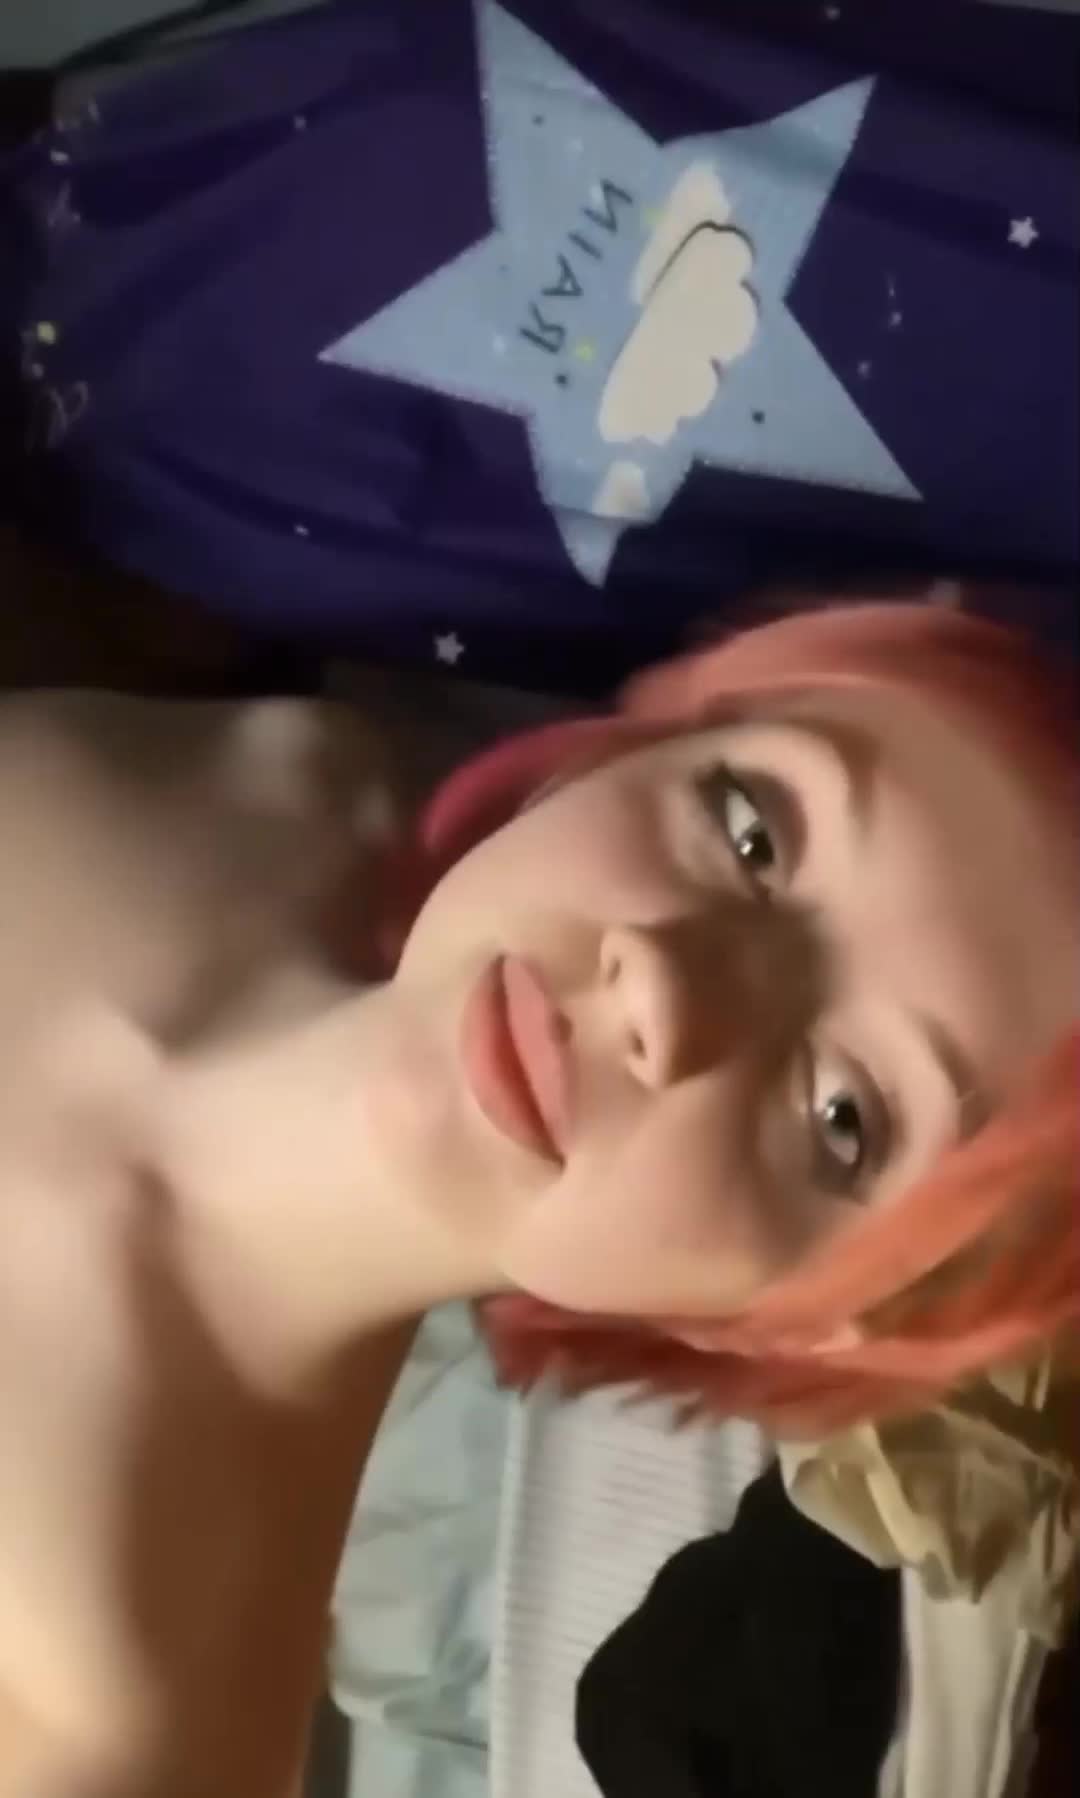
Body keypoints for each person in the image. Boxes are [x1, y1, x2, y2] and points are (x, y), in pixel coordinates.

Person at [0, 594, 1077, 1795]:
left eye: (844, 1117)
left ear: (803, 1318)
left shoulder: (112, 1738)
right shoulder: (275, 761)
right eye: (751, 830)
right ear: (642, 748)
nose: (667, 988)